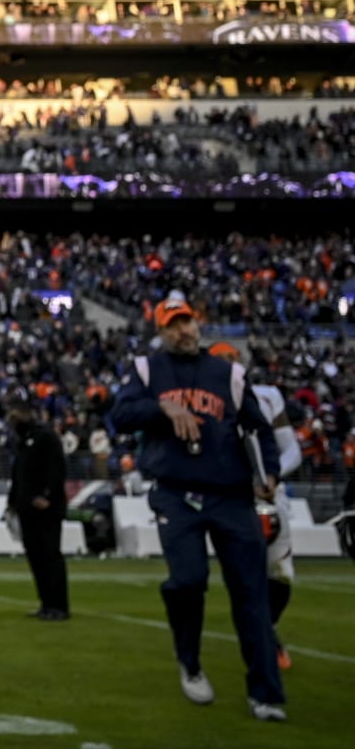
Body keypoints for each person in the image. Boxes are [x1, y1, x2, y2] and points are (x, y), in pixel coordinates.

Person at [110, 296, 285, 721]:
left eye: (186, 322)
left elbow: (259, 430)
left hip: (231, 494)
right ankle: (189, 660)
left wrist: (271, 474)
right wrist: (162, 407)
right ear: (161, 330)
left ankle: (265, 693)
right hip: (175, 493)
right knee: (188, 580)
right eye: (172, 325)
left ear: (197, 323)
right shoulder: (147, 370)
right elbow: (120, 414)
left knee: (252, 593)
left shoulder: (230, 373)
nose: (182, 330)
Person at [205, 342, 302, 671]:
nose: (229, 365)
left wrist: (268, 476)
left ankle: (267, 628)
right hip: (230, 494)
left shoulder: (267, 396)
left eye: (233, 359)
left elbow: (292, 451)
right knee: (246, 572)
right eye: (222, 361)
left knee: (281, 573)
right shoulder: (204, 399)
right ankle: (263, 641)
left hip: (271, 493)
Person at [6, 398, 69, 620]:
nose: (12, 421)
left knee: (50, 555)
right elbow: (18, 474)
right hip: (26, 508)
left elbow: (57, 468)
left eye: (15, 416)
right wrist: (12, 502)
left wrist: (47, 496)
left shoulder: (46, 437)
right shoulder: (24, 440)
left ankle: (59, 606)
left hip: (46, 509)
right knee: (35, 556)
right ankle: (46, 603)